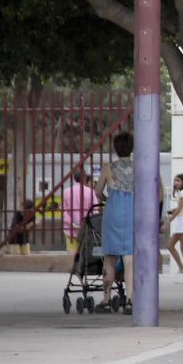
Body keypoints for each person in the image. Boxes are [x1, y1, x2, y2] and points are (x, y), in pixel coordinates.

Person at [98, 132, 135, 308]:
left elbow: (97, 193)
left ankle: (106, 300)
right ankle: (129, 299)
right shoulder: (138, 168)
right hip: (132, 212)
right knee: (129, 258)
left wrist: (108, 200)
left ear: (115, 148)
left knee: (110, 258)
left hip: (113, 212)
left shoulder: (108, 168)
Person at [60, 168, 97, 253]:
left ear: (74, 178)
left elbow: (64, 211)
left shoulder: (66, 191)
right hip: (86, 229)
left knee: (72, 255)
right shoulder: (90, 191)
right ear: (84, 178)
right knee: (86, 254)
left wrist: (72, 223)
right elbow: (94, 210)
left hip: (70, 230)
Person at [166, 174, 183, 274]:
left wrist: (167, 222)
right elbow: (181, 207)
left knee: (182, 248)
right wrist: (173, 210)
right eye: (175, 181)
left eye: (178, 180)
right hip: (182, 221)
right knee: (170, 246)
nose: (175, 183)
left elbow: (179, 210)